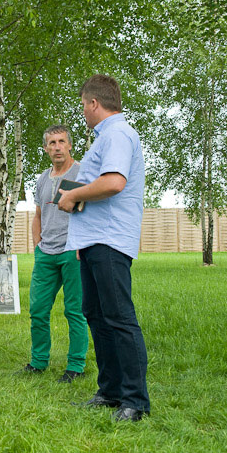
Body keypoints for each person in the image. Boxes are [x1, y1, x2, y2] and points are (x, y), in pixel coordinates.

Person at [57, 75, 150, 421]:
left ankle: (135, 401)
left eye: (83, 104)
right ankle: (110, 391)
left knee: (119, 318)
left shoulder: (117, 134)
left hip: (110, 241)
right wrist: (81, 240)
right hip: (94, 242)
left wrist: (72, 195)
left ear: (94, 103)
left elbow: (113, 182)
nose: (83, 111)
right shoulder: (105, 138)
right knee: (97, 315)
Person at [19, 125, 88, 381]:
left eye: (61, 142)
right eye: (52, 143)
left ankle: (76, 367)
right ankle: (38, 362)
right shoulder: (41, 179)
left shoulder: (82, 173)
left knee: (74, 311)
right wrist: (37, 245)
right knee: (37, 310)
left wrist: (83, 245)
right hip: (46, 254)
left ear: (69, 145)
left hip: (73, 252)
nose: (57, 147)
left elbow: (91, 213)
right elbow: (37, 216)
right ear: (46, 148)